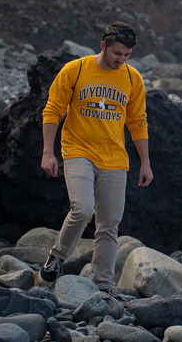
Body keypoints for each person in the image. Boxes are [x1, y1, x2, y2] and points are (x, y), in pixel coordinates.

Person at [37, 21, 153, 301]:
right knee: (83, 208)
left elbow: (137, 122)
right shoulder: (75, 70)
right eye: (116, 53)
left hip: (115, 158)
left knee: (110, 224)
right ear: (103, 46)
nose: (120, 60)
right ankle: (56, 257)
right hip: (78, 150)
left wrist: (146, 163)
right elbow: (53, 109)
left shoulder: (132, 78)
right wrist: (48, 152)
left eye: (126, 55)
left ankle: (103, 284)